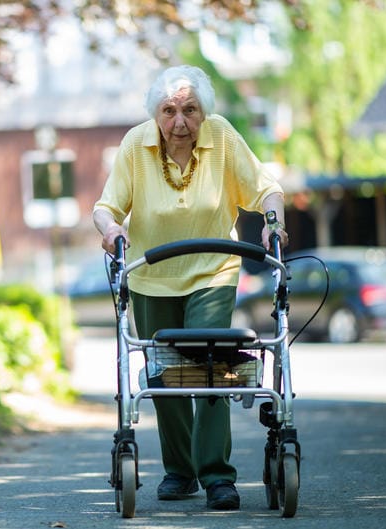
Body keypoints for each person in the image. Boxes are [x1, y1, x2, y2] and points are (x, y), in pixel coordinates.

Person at [92, 65, 287, 510]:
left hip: (212, 271)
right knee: (165, 375)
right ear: (155, 114)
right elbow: (106, 208)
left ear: (204, 112)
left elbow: (266, 189)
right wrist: (110, 231)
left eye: (190, 110)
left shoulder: (221, 136)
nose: (180, 122)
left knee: (210, 363)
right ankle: (180, 472)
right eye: (169, 111)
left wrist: (273, 223)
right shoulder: (134, 145)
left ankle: (217, 475)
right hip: (150, 275)